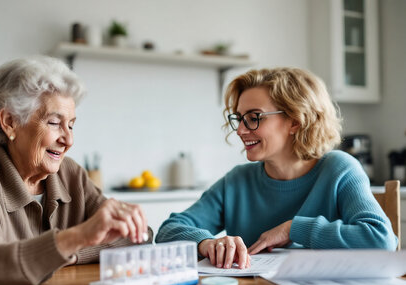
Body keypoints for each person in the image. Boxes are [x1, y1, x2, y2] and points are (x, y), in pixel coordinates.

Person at [0, 56, 150, 285]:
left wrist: (72, 250)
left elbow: (136, 236)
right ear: (10, 122)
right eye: (54, 122)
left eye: (71, 125)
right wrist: (75, 238)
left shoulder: (70, 174)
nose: (68, 140)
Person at [156, 67, 397, 270]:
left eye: (254, 117)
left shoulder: (339, 170)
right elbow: (168, 230)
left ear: (295, 120)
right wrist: (206, 243)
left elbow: (381, 239)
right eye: (239, 118)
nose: (240, 130)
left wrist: (293, 229)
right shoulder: (238, 181)